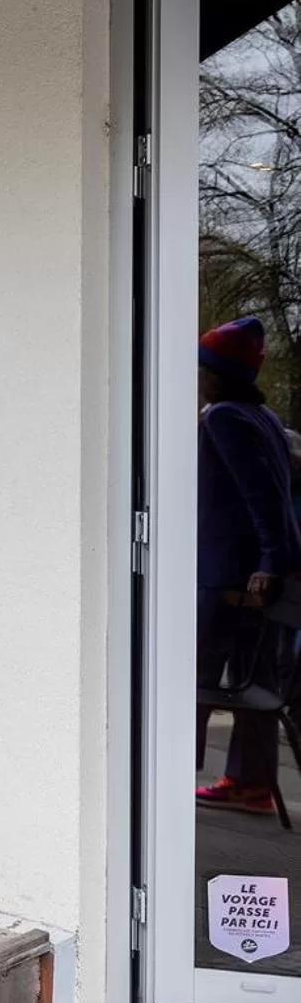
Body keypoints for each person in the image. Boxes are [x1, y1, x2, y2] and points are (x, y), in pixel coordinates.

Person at [194, 316, 300, 816]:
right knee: (255, 678)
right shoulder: (265, 419)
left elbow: (260, 496)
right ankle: (250, 782)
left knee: (190, 674)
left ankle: (167, 772)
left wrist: (266, 560)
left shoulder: (222, 418)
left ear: (216, 373)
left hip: (230, 575)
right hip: (255, 573)